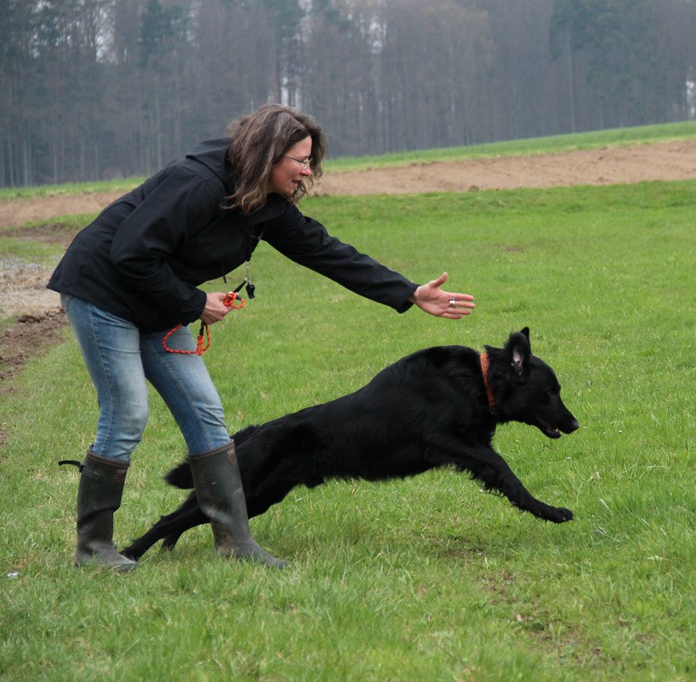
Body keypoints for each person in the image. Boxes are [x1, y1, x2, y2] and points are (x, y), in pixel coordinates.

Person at [47, 104, 475, 571]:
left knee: (205, 409)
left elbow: (325, 251)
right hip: (102, 290)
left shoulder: (264, 205)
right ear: (269, 155)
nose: (308, 171)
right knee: (128, 410)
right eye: (301, 160)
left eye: (310, 160)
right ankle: (93, 548)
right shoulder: (199, 184)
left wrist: (409, 292)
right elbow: (129, 251)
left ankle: (234, 541)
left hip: (157, 302)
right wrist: (193, 304)